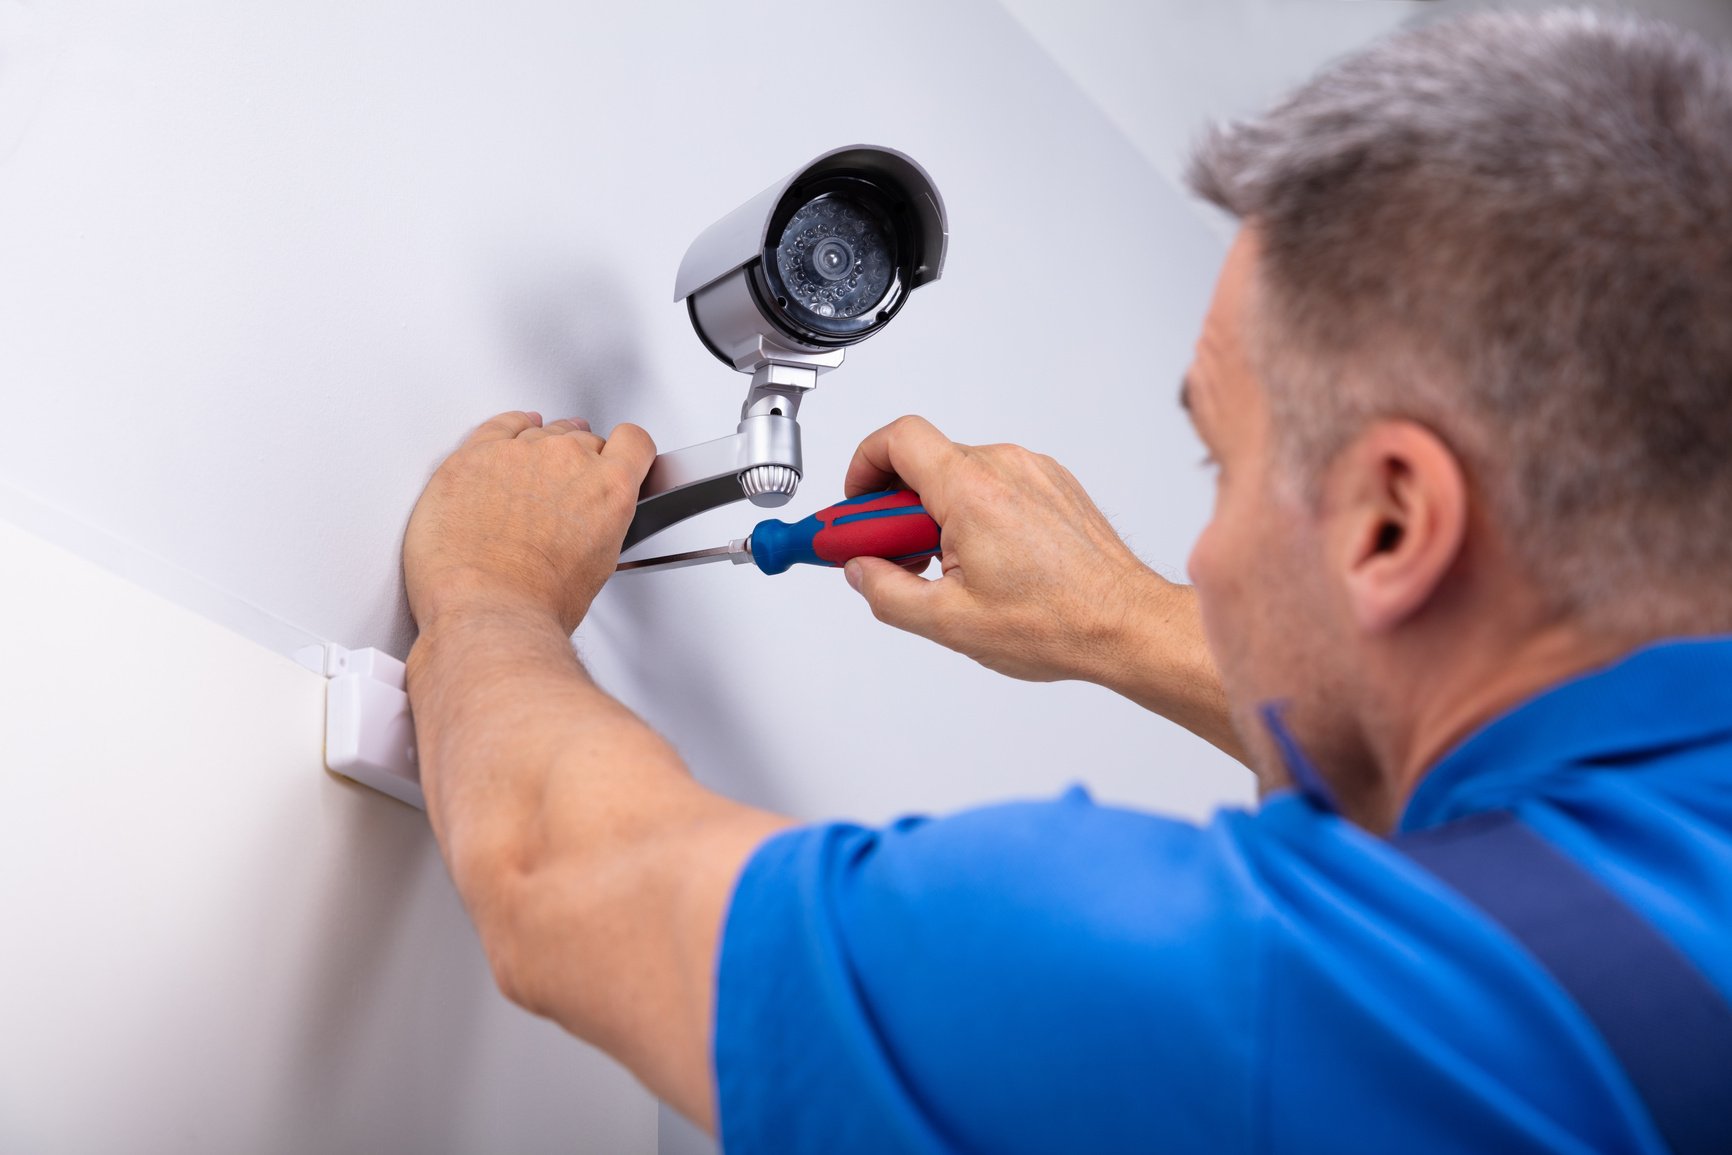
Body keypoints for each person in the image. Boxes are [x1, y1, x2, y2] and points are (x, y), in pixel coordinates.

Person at [400, 10, 1732, 1153]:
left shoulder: (1297, 1002)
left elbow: (553, 876)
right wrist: (1113, 620)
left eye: (1218, 463)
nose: (1199, 562)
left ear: (1393, 526)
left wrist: (493, 597)